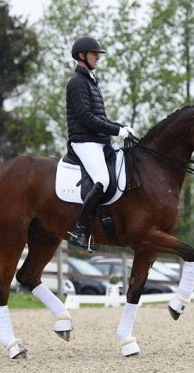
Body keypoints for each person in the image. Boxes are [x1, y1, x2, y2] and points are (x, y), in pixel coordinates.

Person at [66, 36, 134, 252]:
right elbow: (86, 117)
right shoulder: (77, 82)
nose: (98, 57)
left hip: (98, 141)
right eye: (94, 54)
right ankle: (79, 230)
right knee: (103, 180)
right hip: (83, 141)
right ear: (81, 56)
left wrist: (120, 126)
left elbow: (100, 118)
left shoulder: (92, 82)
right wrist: (115, 130)